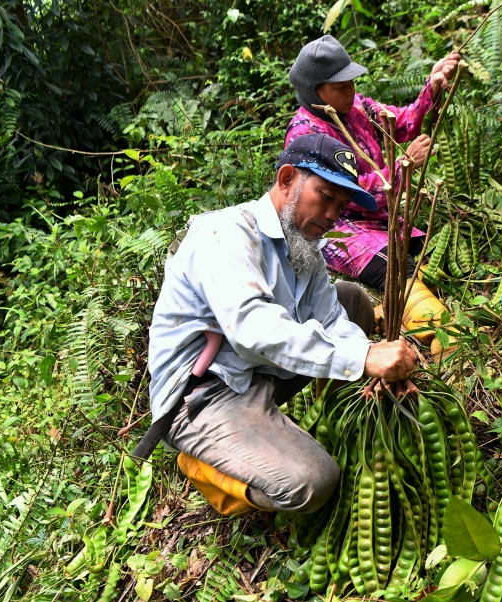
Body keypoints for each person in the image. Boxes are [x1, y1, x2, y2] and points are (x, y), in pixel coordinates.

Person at [144, 133, 419, 517]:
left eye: (341, 206)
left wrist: (371, 366)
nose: (332, 214)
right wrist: (364, 355)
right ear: (287, 178)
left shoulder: (303, 246)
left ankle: (297, 426)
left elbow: (330, 319)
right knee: (314, 481)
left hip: (259, 372)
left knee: (351, 300)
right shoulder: (224, 235)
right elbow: (253, 329)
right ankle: (209, 466)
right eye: (326, 196)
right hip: (204, 394)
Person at [286, 35, 460, 346]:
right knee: (397, 265)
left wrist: (431, 87)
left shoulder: (358, 108)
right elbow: (346, 192)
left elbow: (401, 123)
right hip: (343, 228)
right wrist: (403, 167)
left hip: (383, 220)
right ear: (316, 92)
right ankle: (440, 334)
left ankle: (394, 314)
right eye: (341, 87)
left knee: (433, 256)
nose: (351, 91)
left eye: (351, 83)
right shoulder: (306, 135)